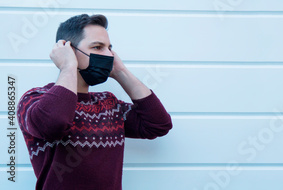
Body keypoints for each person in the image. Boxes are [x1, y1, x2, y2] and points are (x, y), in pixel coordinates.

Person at [17, 14, 173, 190]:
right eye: (98, 47)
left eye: (110, 48)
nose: (109, 55)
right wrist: (67, 66)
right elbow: (53, 124)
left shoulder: (109, 104)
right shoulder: (34, 99)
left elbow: (158, 124)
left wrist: (120, 71)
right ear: (68, 50)